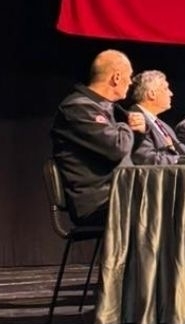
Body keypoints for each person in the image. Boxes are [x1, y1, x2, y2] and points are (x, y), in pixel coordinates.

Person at [51, 50, 145, 225]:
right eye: (129, 76)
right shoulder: (78, 108)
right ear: (116, 77)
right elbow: (116, 148)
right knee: (159, 208)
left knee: (173, 200)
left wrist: (137, 133)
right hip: (99, 202)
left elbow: (125, 151)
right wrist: (125, 126)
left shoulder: (106, 107)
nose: (130, 82)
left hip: (120, 192)